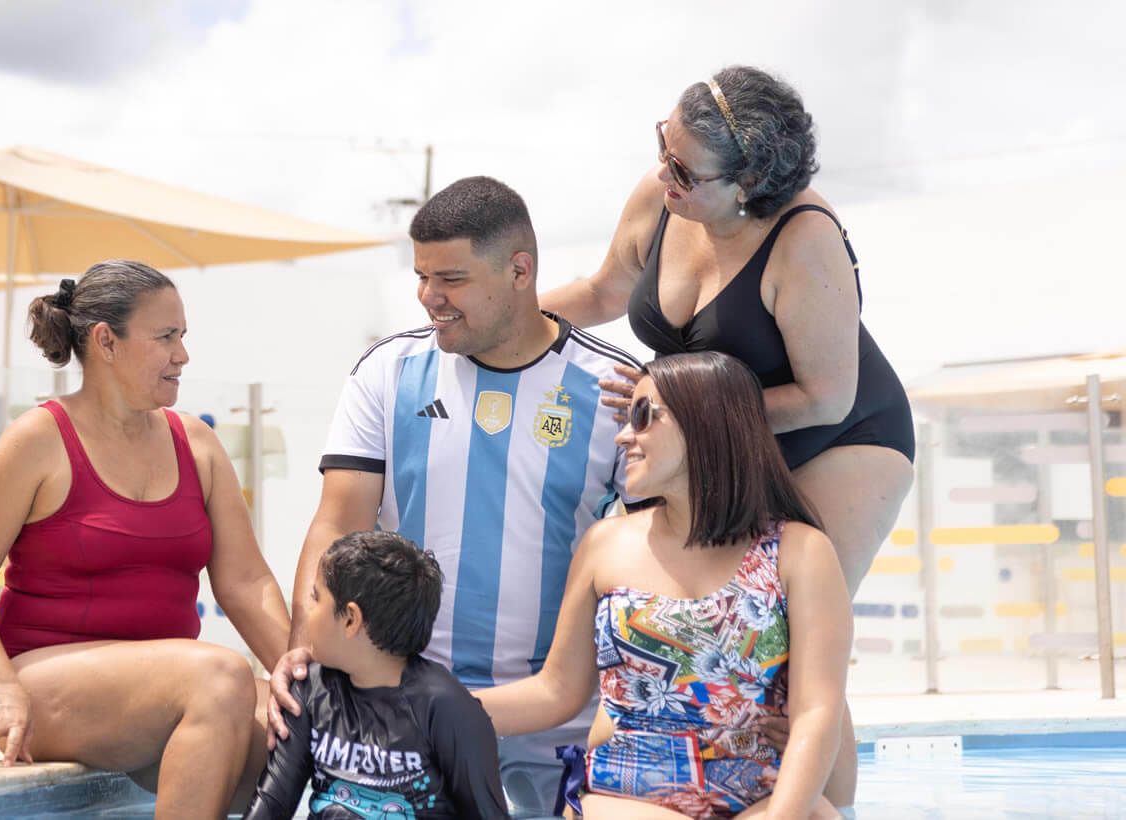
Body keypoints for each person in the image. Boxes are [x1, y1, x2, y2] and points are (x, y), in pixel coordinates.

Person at [537, 65, 914, 807]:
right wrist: (508, 322)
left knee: (791, 634)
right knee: (687, 622)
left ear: (747, 186)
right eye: (661, 146)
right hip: (704, 431)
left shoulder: (805, 240)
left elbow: (824, 395)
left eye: (682, 167)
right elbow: (604, 291)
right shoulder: (665, 194)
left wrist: (673, 402)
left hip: (839, 436)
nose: (661, 173)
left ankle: (821, 805)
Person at [269, 176, 641, 817]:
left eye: (451, 279)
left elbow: (651, 557)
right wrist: (304, 652)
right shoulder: (387, 370)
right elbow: (337, 525)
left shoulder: (614, 388)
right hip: (407, 703)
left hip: (558, 713)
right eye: (421, 277)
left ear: (520, 270)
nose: (429, 298)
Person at [0, 260, 292, 817]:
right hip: (42, 681)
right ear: (106, 341)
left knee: (298, 718)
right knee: (220, 673)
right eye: (166, 337)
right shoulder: (37, 440)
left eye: (183, 337)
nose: (183, 355)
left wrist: (300, 674)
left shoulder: (196, 444)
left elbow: (245, 580)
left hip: (166, 686)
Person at [473, 351, 849, 819]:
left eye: (644, 416)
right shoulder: (605, 544)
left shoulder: (800, 551)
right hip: (625, 799)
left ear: (705, 423)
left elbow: (817, 710)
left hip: (758, 796)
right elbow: (556, 691)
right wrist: (421, 708)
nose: (624, 434)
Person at [248, 530, 511, 820]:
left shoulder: (448, 709)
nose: (308, 611)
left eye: (316, 598)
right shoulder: (308, 690)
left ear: (351, 619)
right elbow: (271, 805)